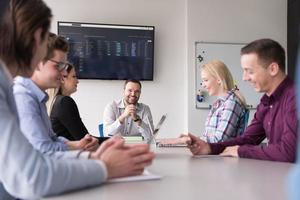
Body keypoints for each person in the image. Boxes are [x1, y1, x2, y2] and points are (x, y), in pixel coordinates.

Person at [0, 0, 154, 199]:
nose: (65, 73)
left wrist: (90, 156)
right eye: (60, 65)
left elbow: (47, 147)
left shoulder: (22, 92)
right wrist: (104, 166)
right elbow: (32, 176)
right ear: (38, 37)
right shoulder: (19, 93)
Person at [186, 38, 297, 162]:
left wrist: (241, 151)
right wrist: (210, 148)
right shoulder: (266, 102)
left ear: (273, 69)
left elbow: (288, 152)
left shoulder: (294, 97)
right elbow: (248, 139)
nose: (244, 78)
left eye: (250, 71)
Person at [13, 33, 99, 153]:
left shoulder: (38, 97)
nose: (63, 73)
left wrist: (78, 144)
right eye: (59, 65)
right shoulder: (23, 97)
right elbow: (44, 150)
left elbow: (52, 139)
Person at [194, 60, 248, 143]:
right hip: (215, 154)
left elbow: (220, 140)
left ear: (218, 79)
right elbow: (208, 136)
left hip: (224, 155)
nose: (203, 85)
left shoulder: (231, 103)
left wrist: (192, 140)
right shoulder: (218, 104)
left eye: (206, 80)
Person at [47, 63, 95, 141]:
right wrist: (117, 141)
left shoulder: (55, 101)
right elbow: (85, 141)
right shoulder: (64, 102)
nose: (77, 81)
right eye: (74, 76)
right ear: (62, 79)